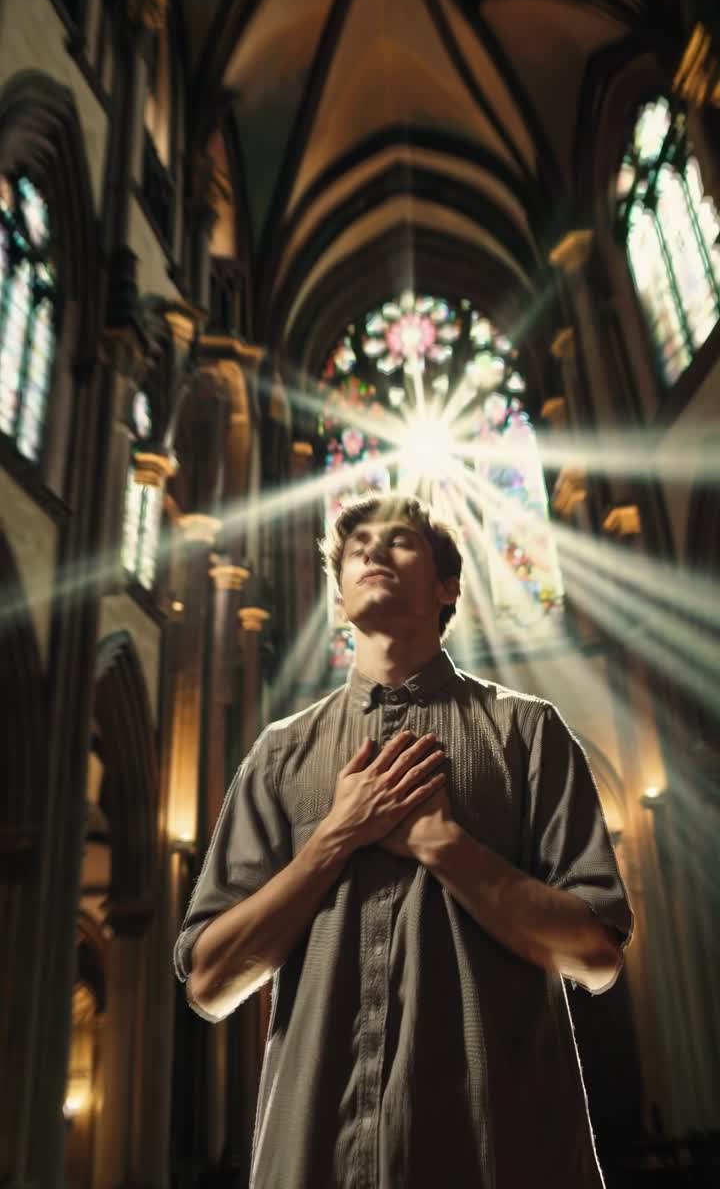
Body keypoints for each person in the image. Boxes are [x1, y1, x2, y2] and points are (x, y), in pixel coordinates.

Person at [174, 494, 633, 1188]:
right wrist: (335, 838)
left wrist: (444, 846)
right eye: (357, 545)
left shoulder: (526, 734)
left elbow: (596, 955)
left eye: (399, 541)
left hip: (496, 1151)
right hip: (314, 1155)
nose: (371, 551)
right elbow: (209, 982)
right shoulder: (278, 756)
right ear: (338, 597)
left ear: (447, 587)